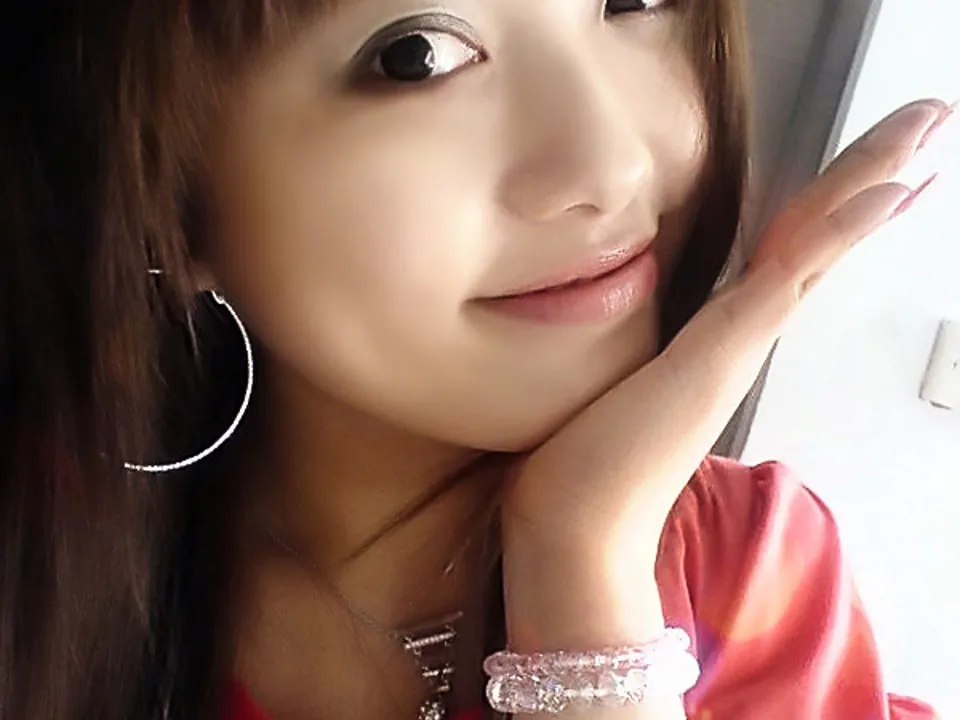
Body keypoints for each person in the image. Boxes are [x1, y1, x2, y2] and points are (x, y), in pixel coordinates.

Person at [0, 0, 949, 718]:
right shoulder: (44, 580)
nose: (609, 165)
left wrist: (583, 581)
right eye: (416, 56)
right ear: (164, 188)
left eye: (631, 2)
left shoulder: (749, 577)